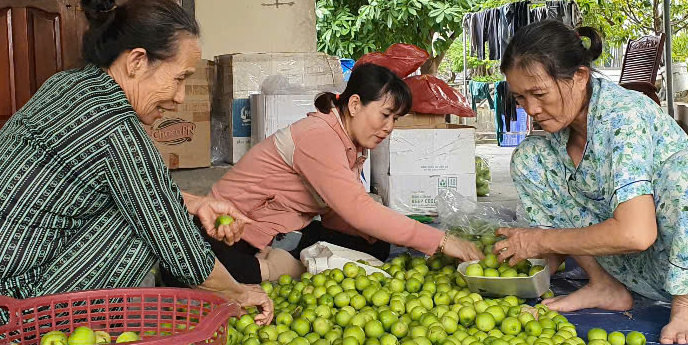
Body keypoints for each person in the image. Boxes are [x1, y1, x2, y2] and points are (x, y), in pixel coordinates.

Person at [0, 0, 272, 328]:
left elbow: (134, 190)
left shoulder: (68, 86)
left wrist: (196, 203)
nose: (180, 97)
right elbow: (179, 248)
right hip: (1, 322)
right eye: (179, 78)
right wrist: (240, 294)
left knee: (147, 210)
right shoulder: (115, 129)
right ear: (137, 62)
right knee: (151, 228)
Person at [492, 21, 688, 344]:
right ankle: (603, 285)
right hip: (638, 271)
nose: (531, 109)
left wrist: (540, 240)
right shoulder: (559, 138)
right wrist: (508, 255)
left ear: (580, 77)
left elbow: (636, 233)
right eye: (519, 98)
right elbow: (557, 233)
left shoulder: (624, 117)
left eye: (539, 94)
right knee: (529, 157)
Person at [192, 63, 484, 285]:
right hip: (229, 232)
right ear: (355, 105)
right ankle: (274, 267)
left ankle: (283, 259)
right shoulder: (319, 136)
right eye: (385, 115)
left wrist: (368, 231)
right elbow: (357, 208)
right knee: (211, 273)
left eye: (395, 119)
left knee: (375, 243)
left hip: (280, 228)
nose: (389, 127)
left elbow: (335, 208)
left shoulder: (350, 143)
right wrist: (441, 240)